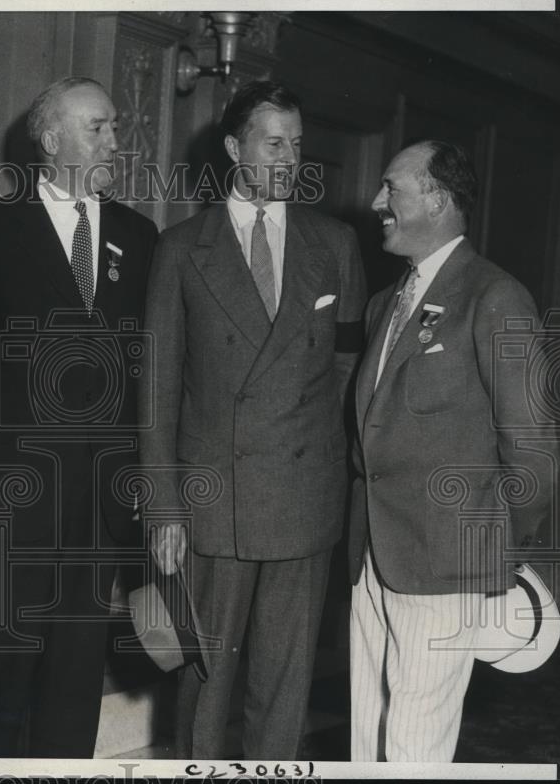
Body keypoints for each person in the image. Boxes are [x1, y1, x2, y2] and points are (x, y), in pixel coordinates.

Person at [140, 80, 366, 759]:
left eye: (298, 144)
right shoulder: (181, 248)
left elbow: (349, 367)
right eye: (275, 142)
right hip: (215, 503)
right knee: (206, 683)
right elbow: (155, 392)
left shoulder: (336, 243)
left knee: (286, 686)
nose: (290, 158)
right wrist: (164, 508)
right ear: (236, 147)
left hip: (303, 500)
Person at [0, 76, 158, 758]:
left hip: (97, 510)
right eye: (97, 128)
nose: (114, 143)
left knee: (72, 689)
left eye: (115, 127)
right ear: (50, 140)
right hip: (5, 505)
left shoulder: (139, 235)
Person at [347, 140, 555, 761]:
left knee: (415, 745)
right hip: (373, 560)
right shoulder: (386, 304)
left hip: (450, 562)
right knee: (365, 736)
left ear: (437, 200)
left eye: (392, 189)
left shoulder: (496, 297)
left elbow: (534, 450)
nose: (377, 202)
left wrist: (490, 548)